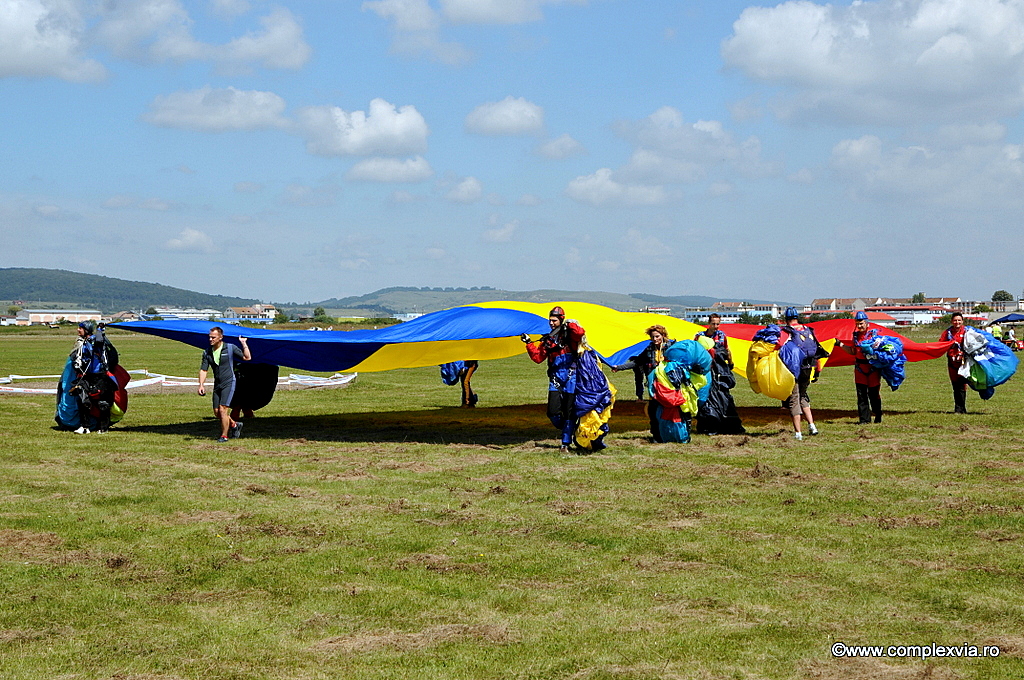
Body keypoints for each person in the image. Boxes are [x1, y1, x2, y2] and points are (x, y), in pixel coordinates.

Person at [522, 307, 612, 453]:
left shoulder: (569, 336)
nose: (551, 323)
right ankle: (569, 428)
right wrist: (529, 343)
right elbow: (538, 358)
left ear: (561, 320)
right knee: (553, 412)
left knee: (569, 411)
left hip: (572, 376)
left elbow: (580, 333)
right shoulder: (548, 339)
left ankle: (565, 443)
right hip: (556, 377)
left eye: (554, 320)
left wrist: (569, 324)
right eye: (550, 320)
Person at [610, 324, 673, 442]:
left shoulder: (671, 348)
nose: (655, 339)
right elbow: (637, 362)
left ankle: (670, 434)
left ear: (663, 336)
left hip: (668, 386)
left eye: (657, 336)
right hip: (654, 386)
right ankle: (657, 436)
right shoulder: (649, 349)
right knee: (653, 411)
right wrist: (619, 367)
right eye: (653, 337)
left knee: (667, 411)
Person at [778, 307, 828, 440]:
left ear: (786, 319)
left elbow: (779, 347)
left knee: (794, 399)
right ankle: (812, 426)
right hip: (809, 367)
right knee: (803, 396)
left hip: (795, 369)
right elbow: (817, 350)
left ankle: (798, 433)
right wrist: (817, 371)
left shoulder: (787, 331)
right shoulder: (808, 330)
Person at [694, 314, 745, 435]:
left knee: (722, 396)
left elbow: (727, 351)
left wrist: (730, 363)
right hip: (705, 371)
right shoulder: (699, 336)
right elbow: (695, 351)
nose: (716, 326)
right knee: (705, 396)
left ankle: (723, 422)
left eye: (718, 324)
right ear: (709, 323)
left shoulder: (722, 336)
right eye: (713, 324)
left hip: (719, 372)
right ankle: (707, 423)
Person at [198, 327, 251, 441]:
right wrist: (201, 385)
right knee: (217, 413)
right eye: (210, 337)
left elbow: (247, 357)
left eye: (213, 337)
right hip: (217, 384)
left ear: (220, 337)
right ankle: (235, 425)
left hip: (229, 382)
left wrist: (244, 344)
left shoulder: (230, 348)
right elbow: (204, 370)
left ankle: (224, 436)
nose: (210, 339)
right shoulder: (207, 352)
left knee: (223, 410)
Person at [68, 321, 116, 434]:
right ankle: (85, 427)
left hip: (100, 375)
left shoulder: (96, 339)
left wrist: (100, 329)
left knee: (102, 403)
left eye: (80, 328)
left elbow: (99, 341)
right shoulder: (82, 342)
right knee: (83, 400)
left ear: (87, 330)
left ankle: (103, 428)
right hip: (86, 375)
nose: (78, 330)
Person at [836, 311, 882, 424]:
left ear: (867, 323)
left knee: (873, 394)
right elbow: (853, 351)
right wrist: (840, 344)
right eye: (857, 323)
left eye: (861, 323)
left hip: (872, 369)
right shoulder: (855, 336)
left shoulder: (874, 335)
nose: (859, 326)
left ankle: (877, 413)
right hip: (860, 369)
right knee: (861, 396)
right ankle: (864, 420)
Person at [940, 312, 968, 414]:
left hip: (964, 362)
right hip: (952, 362)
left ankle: (962, 408)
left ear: (962, 321)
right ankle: (958, 408)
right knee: (955, 385)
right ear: (952, 321)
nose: (957, 322)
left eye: (959, 320)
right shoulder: (947, 333)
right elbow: (940, 344)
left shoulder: (967, 331)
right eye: (955, 320)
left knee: (962, 385)